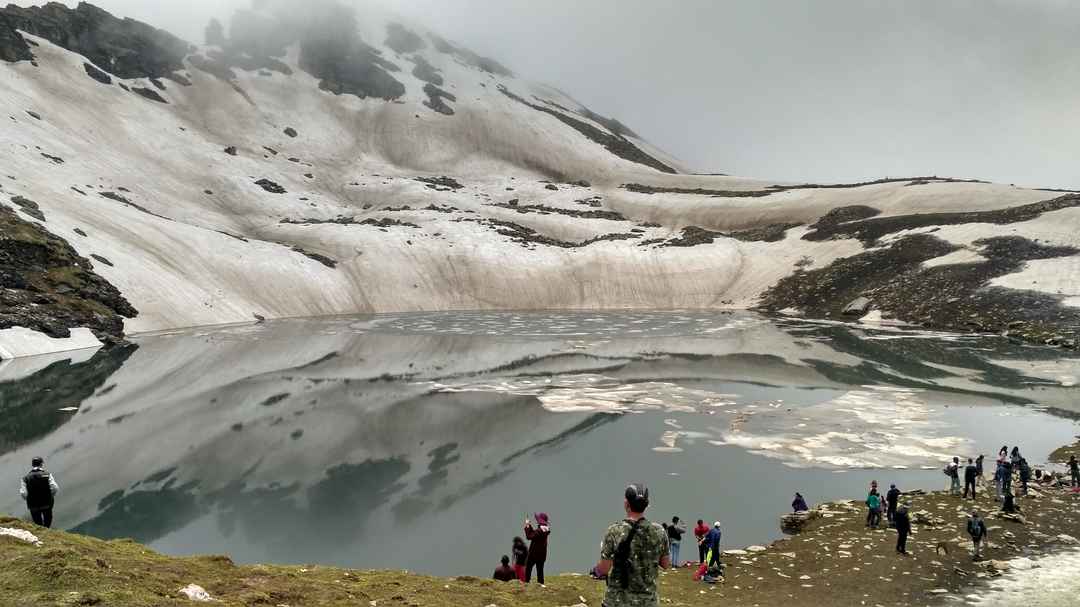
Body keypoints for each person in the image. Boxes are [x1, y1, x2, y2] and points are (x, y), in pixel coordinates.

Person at [594, 484, 670, 607]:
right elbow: (665, 564)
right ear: (647, 504)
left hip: (617, 601)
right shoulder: (659, 531)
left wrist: (596, 570)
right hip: (648, 602)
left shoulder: (614, 531)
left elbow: (604, 569)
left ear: (626, 503)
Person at [20, 457, 59, 528]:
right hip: (47, 503)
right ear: (41, 464)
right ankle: (47, 533)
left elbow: (23, 493)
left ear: (32, 465)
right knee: (47, 522)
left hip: (33, 505)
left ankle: (41, 534)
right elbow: (55, 488)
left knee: (38, 524)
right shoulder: (47, 474)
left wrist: (30, 499)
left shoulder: (25, 478)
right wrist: (50, 496)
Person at [524, 512, 550, 585]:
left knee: (528, 568)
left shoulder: (540, 530)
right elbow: (534, 534)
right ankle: (541, 584)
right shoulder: (545, 530)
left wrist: (527, 525)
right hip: (542, 554)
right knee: (540, 570)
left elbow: (529, 536)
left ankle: (527, 583)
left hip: (534, 554)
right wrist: (530, 526)